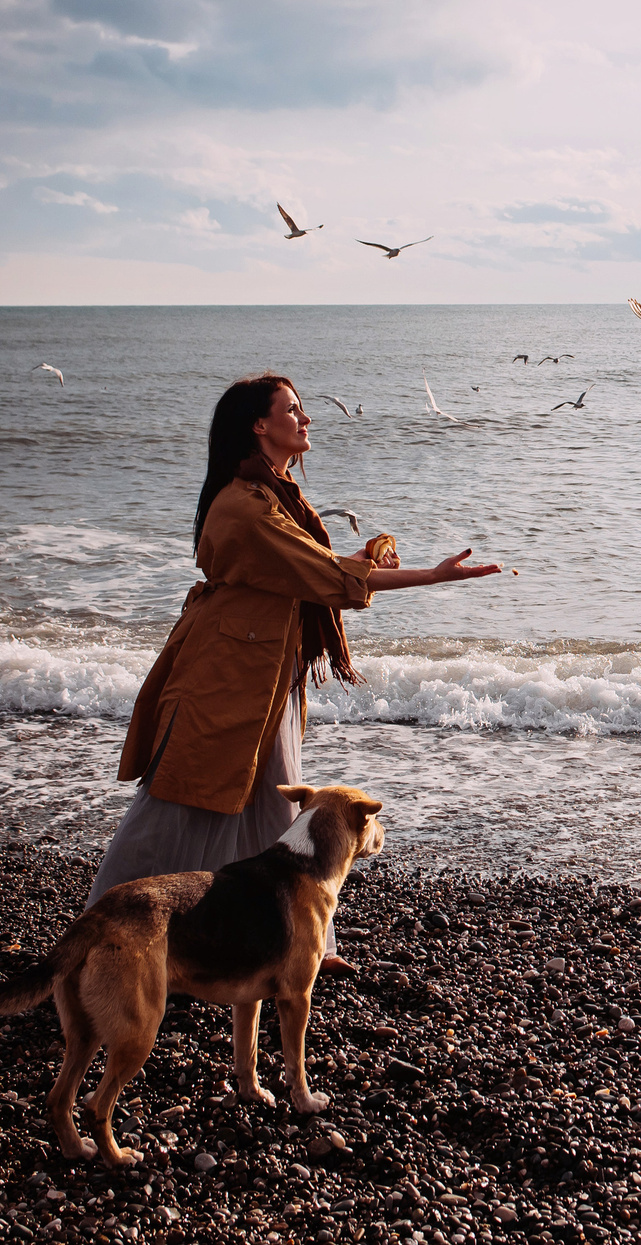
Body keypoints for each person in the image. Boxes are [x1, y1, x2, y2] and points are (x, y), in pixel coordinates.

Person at [89, 374, 498, 904]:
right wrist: (431, 576)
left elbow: (312, 571)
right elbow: (324, 574)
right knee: (181, 798)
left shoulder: (277, 497)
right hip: (227, 671)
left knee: (273, 800)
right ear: (260, 425)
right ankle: (99, 931)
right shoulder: (247, 506)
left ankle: (292, 944)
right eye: (293, 409)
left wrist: (364, 562)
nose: (306, 419)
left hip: (267, 664)